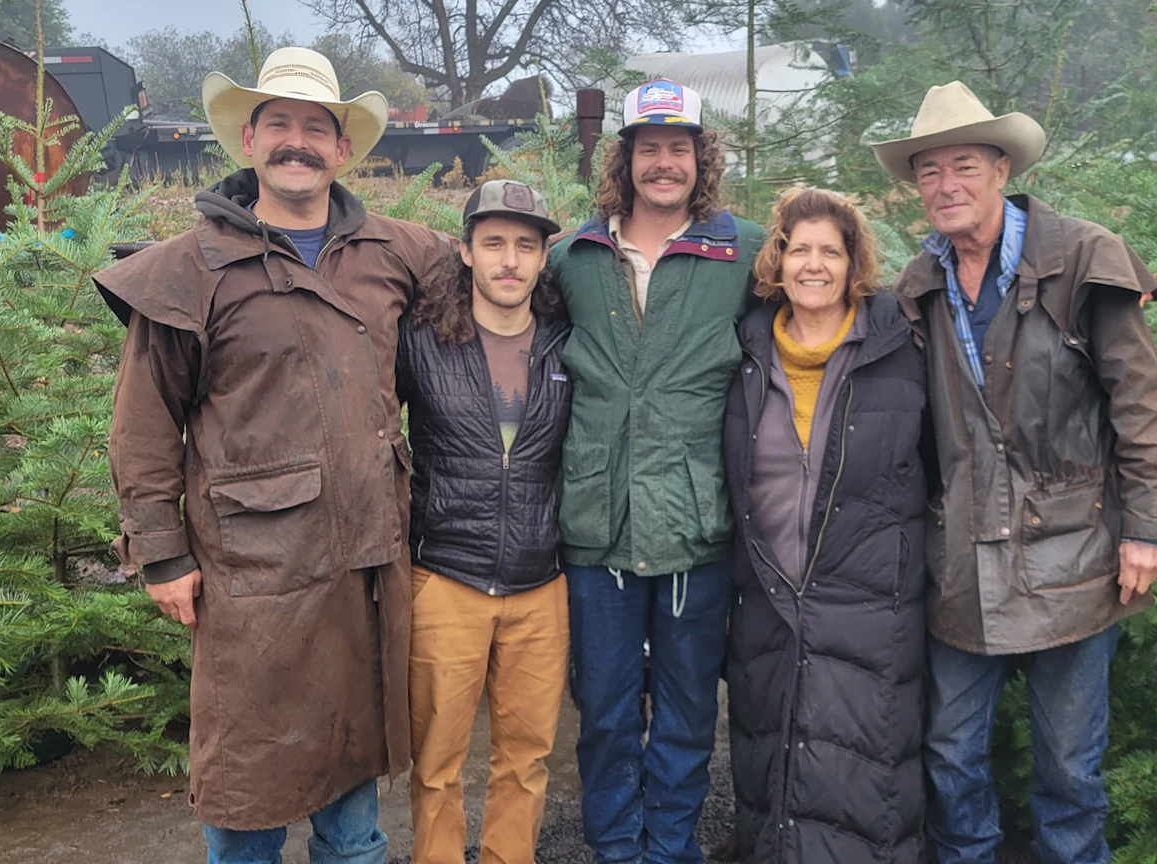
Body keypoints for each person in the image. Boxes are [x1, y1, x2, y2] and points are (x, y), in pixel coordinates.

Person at [96, 46, 456, 864]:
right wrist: (160, 555)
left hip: (367, 565)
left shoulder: (396, 252)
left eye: (315, 128)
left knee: (354, 825)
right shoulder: (190, 270)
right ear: (249, 140)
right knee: (246, 806)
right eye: (280, 125)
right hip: (250, 579)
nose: (298, 142)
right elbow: (144, 424)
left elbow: (506, 273)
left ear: (341, 149)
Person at [874, 81, 1157, 864]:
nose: (946, 186)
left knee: (1068, 768)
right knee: (950, 757)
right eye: (929, 172)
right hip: (960, 559)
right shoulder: (916, 288)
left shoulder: (1084, 257)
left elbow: (1143, 404)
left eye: (964, 167)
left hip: (1077, 552)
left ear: (1002, 167)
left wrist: (1149, 530)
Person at [546, 78, 766, 864]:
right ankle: (614, 848)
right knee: (603, 713)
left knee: (683, 714)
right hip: (596, 529)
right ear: (627, 158)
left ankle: (668, 849)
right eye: (649, 149)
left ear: (701, 157)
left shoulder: (745, 250)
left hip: (696, 526)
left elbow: (834, 290)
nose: (664, 163)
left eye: (680, 148)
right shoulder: (572, 257)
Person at [721, 187, 928, 864]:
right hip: (768, 597)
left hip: (869, 603)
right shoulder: (743, 354)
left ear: (853, 263)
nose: (814, 265)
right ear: (776, 262)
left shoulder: (899, 349)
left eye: (829, 252)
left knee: (862, 779)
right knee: (771, 770)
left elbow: (937, 468)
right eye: (798, 249)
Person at [398, 180, 570, 864]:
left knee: (525, 761)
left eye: (525, 246)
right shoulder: (420, 341)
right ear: (465, 251)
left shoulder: (567, 345)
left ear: (541, 258)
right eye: (493, 242)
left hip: (541, 583)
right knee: (436, 766)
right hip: (446, 577)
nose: (509, 260)